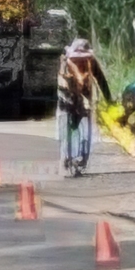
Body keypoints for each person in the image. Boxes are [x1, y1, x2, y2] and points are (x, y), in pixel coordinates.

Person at [55, 38, 111, 178]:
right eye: (77, 59)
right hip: (66, 99)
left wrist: (109, 100)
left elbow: (101, 80)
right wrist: (71, 100)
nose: (80, 61)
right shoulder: (65, 64)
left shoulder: (91, 62)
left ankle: (80, 160)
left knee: (85, 132)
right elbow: (62, 85)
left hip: (85, 98)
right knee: (67, 129)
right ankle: (66, 158)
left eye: (83, 58)